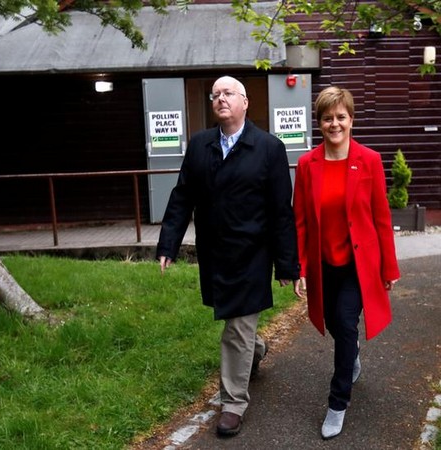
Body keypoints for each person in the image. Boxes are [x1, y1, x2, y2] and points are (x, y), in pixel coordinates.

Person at [156, 75, 300, 437]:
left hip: (252, 254)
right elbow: (181, 197)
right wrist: (168, 245)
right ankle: (257, 348)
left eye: (228, 93)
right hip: (215, 253)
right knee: (239, 325)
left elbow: (282, 210)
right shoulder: (200, 144)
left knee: (236, 327)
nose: (220, 99)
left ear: (245, 102)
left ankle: (233, 402)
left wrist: (287, 263)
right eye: (215, 94)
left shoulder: (269, 147)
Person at [293, 86, 400, 440]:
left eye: (341, 116)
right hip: (325, 263)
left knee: (345, 322)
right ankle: (350, 354)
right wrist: (301, 268)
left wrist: (389, 268)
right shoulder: (308, 165)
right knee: (335, 325)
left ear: (351, 120)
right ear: (319, 123)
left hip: (358, 262)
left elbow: (381, 217)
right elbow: (301, 222)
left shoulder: (368, 160)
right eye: (327, 118)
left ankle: (337, 402)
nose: (334, 123)